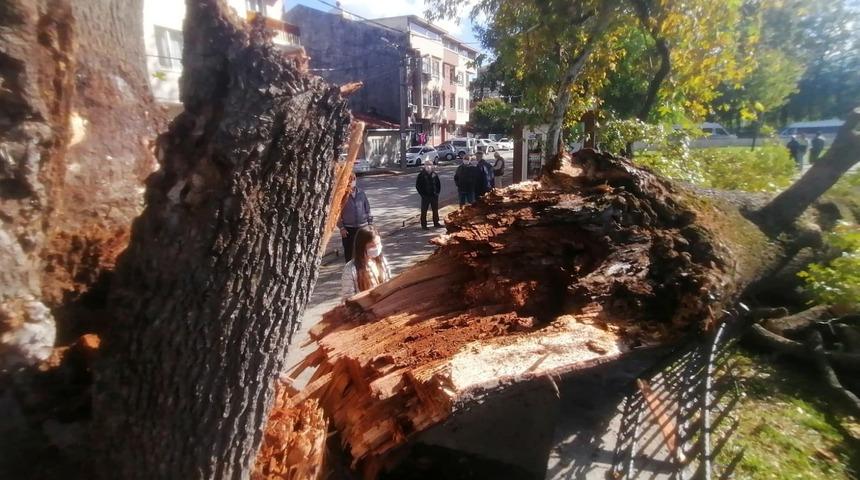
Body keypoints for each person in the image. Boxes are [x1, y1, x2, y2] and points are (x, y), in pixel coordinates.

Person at [340, 225, 391, 300]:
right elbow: (348, 298)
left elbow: (389, 282)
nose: (377, 248)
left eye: (378, 244)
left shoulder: (382, 261)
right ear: (362, 246)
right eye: (372, 246)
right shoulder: (350, 269)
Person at [337, 174, 372, 263]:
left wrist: (370, 224)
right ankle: (350, 270)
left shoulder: (361, 193)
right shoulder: (341, 195)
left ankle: (364, 268)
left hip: (362, 227)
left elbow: (367, 209)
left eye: (353, 179)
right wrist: (341, 228)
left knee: (363, 251)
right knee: (349, 253)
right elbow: (336, 214)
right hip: (348, 230)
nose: (351, 182)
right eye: (349, 179)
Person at [415, 159, 442, 230]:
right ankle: (424, 225)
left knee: (435, 210)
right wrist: (422, 195)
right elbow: (418, 186)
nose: (428, 166)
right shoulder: (421, 175)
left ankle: (436, 222)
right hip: (425, 196)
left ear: (432, 166)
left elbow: (438, 185)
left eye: (430, 165)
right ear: (424, 166)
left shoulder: (434, 174)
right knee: (424, 211)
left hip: (434, 195)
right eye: (427, 165)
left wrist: (437, 193)